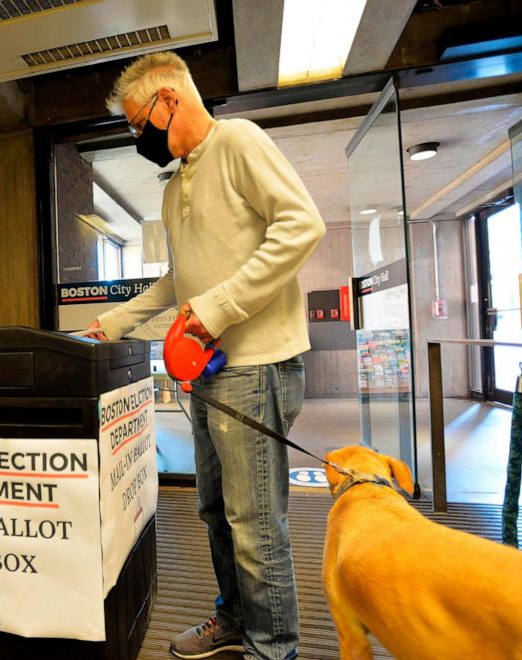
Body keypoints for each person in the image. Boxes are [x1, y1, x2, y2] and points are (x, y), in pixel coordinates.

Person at [85, 52, 325, 660]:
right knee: (215, 510)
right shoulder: (174, 189)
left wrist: (220, 307)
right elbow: (177, 280)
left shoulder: (238, 141)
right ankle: (236, 620)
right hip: (211, 373)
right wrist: (115, 322)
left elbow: (301, 226)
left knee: (255, 522)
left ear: (169, 101)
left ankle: (275, 649)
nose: (140, 137)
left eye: (140, 123)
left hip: (259, 365)